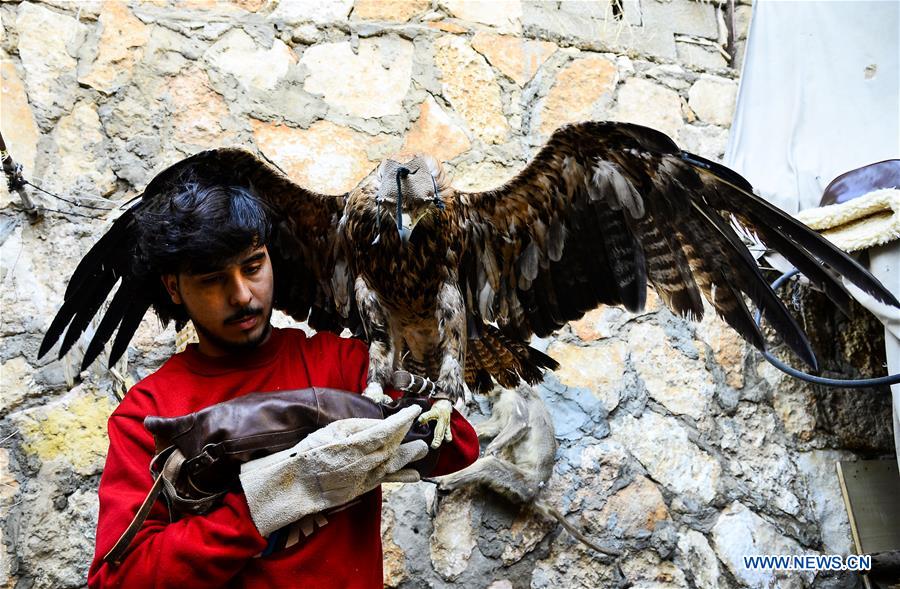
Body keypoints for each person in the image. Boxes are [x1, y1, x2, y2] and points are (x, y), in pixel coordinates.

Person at [86, 179, 479, 588]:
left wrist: (347, 416)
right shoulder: (149, 412)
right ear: (174, 287)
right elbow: (117, 580)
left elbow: (459, 445)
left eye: (253, 266)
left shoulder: (340, 364)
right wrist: (259, 505)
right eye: (212, 280)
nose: (242, 295)